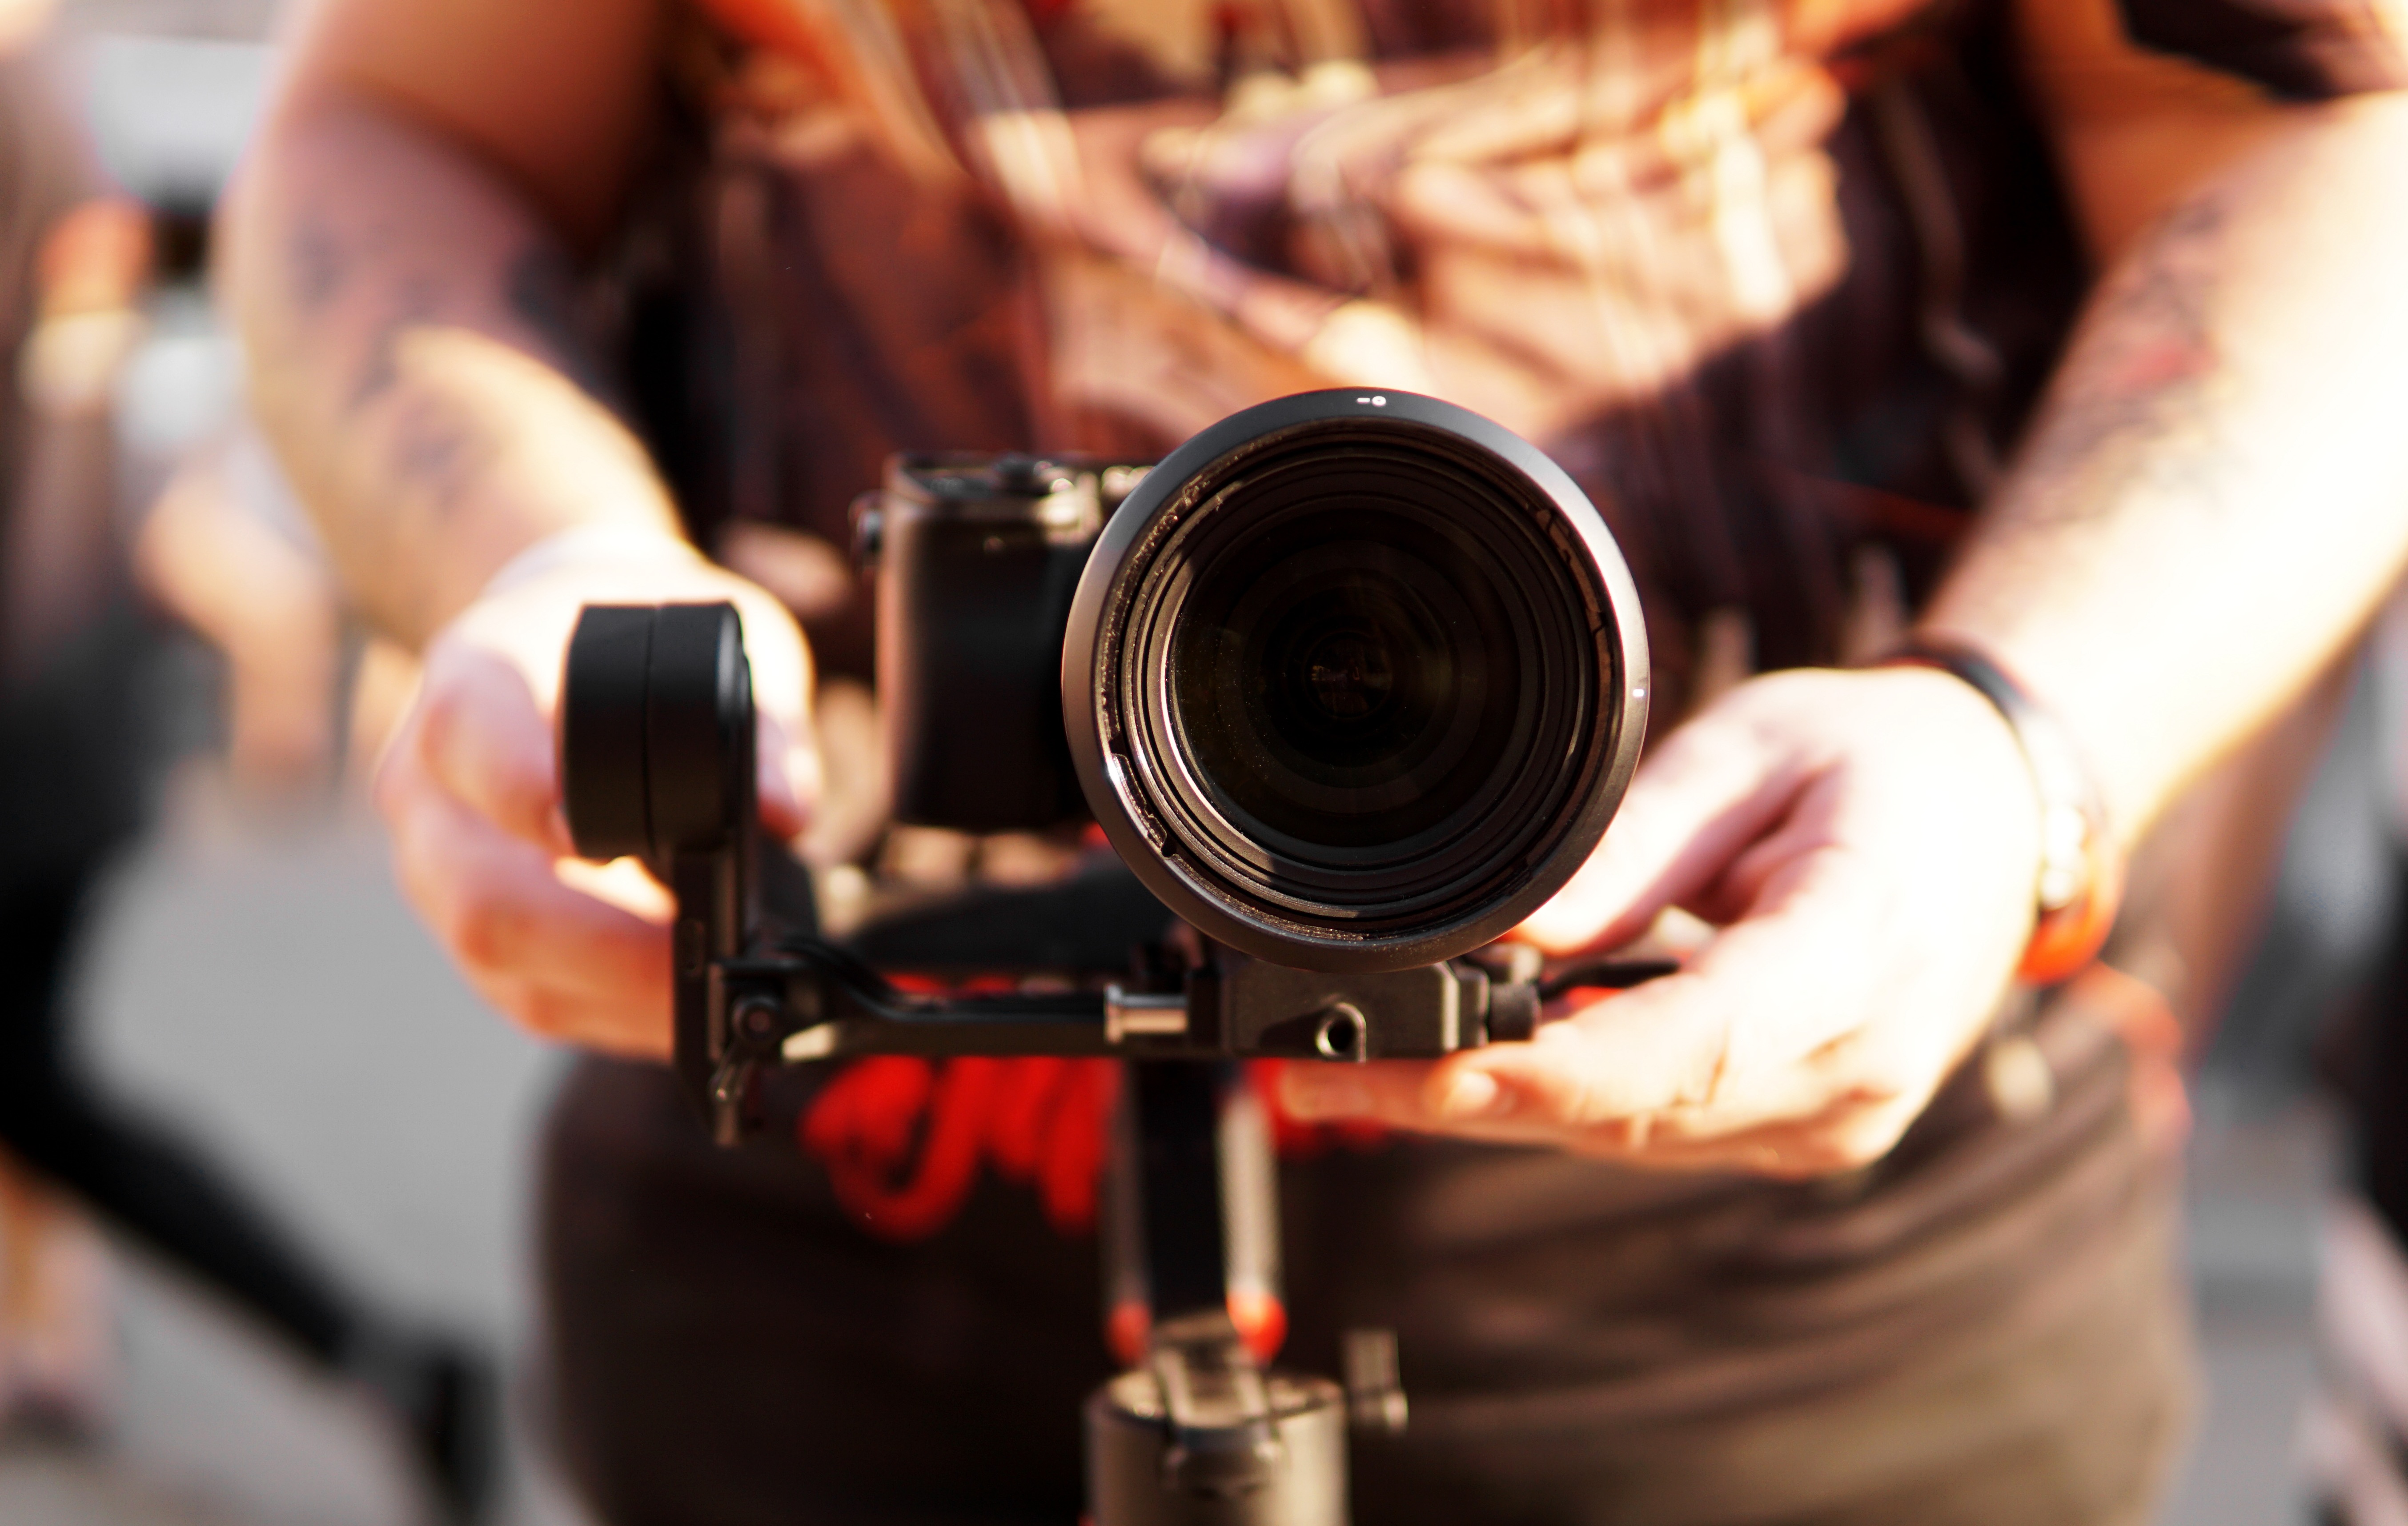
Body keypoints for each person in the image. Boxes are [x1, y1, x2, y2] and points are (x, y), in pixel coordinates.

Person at [224, 0, 2408, 1520]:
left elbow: (2326, 121)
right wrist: (548, 565)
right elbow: (411, 120)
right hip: (838, 1178)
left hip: (1806, 1231)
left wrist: (2010, 737)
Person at [0, 3, 495, 1508]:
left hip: (32, 709)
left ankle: (377, 1353)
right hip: (58, 690)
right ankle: (93, 1330)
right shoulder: (59, 121)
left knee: (38, 1089)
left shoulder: (45, 125)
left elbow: (86, 429)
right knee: (33, 1081)